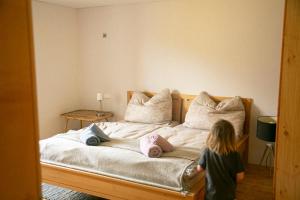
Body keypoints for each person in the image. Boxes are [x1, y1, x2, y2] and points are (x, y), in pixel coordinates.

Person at [197, 119, 245, 200]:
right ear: (231, 138)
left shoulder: (206, 151)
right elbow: (240, 177)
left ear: (211, 136)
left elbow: (199, 169)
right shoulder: (235, 155)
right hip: (228, 195)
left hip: (211, 196)